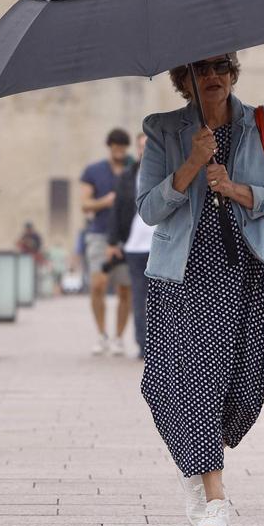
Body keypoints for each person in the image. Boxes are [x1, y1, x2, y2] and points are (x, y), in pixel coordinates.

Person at [137, 52, 264, 526]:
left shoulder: (263, 123)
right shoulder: (164, 129)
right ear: (185, 77)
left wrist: (240, 189)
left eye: (222, 66)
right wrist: (191, 166)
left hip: (243, 269)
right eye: (201, 69)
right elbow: (149, 209)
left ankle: (195, 459)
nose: (214, 77)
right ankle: (214, 497)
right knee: (194, 379)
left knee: (243, 389)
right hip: (182, 274)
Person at [81, 128, 133, 355]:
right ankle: (101, 334)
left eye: (122, 147)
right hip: (100, 233)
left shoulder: (134, 171)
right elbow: (85, 204)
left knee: (125, 288)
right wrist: (107, 201)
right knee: (98, 285)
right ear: (109, 147)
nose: (119, 151)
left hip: (127, 236)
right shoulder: (93, 171)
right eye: (115, 147)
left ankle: (119, 337)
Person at [109, 133, 152, 358]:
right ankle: (142, 343)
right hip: (134, 246)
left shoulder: (167, 171)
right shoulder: (128, 176)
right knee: (138, 296)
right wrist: (113, 242)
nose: (144, 150)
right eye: (141, 146)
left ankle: (162, 345)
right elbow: (117, 210)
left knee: (163, 298)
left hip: (160, 245)